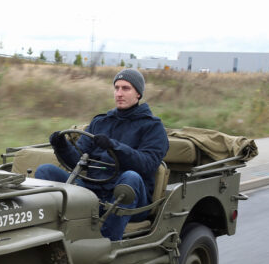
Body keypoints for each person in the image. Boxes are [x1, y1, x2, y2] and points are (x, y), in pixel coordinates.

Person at [35, 68, 169, 240]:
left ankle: (107, 243)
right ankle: (46, 235)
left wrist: (115, 147)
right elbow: (77, 160)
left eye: (126, 88)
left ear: (138, 94)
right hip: (93, 193)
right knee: (45, 171)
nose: (119, 93)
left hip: (130, 199)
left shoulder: (152, 127)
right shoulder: (101, 122)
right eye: (116, 88)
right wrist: (61, 146)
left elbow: (148, 164)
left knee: (131, 177)